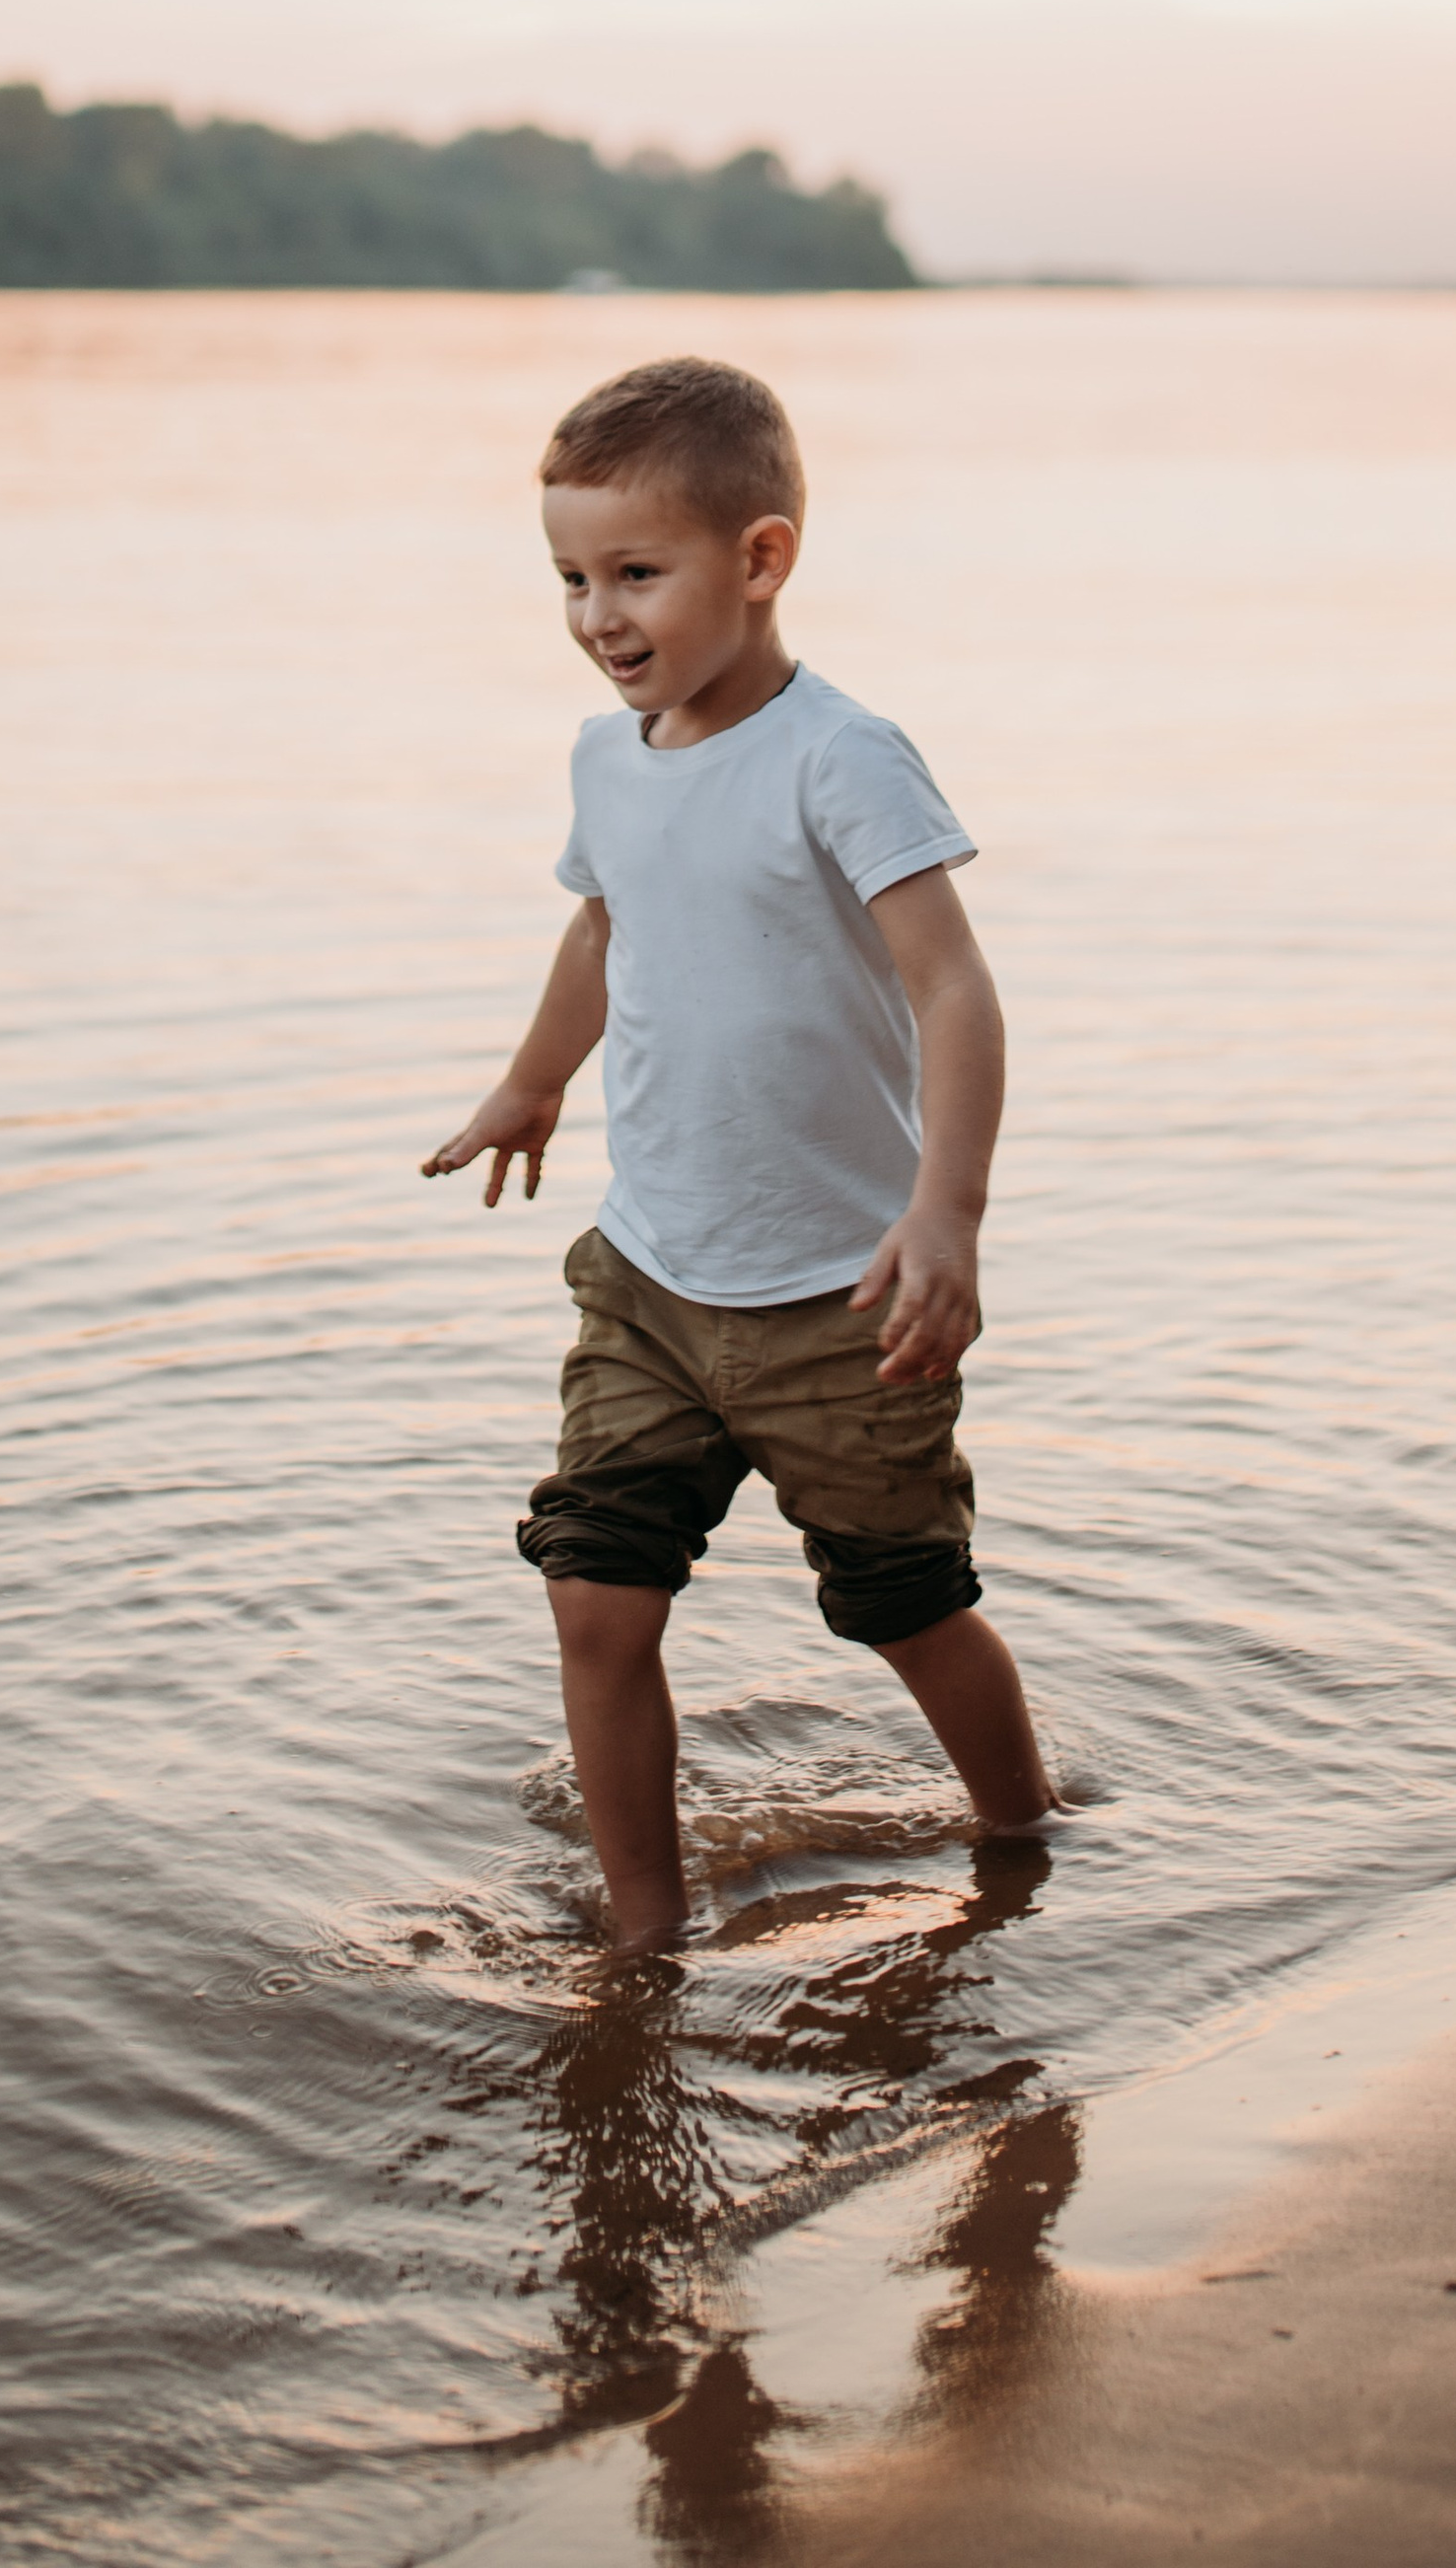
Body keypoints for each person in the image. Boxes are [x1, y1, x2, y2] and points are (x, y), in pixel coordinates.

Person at [422, 353, 1056, 1948]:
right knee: (593, 1595)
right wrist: (531, 1085)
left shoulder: (840, 756)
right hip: (649, 1279)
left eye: (637, 574)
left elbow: (954, 987)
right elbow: (604, 927)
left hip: (842, 1301)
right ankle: (643, 1939)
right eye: (572, 579)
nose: (599, 614)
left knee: (906, 1606)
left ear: (760, 558)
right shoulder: (605, 756)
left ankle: (1022, 1834)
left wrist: (947, 1217)